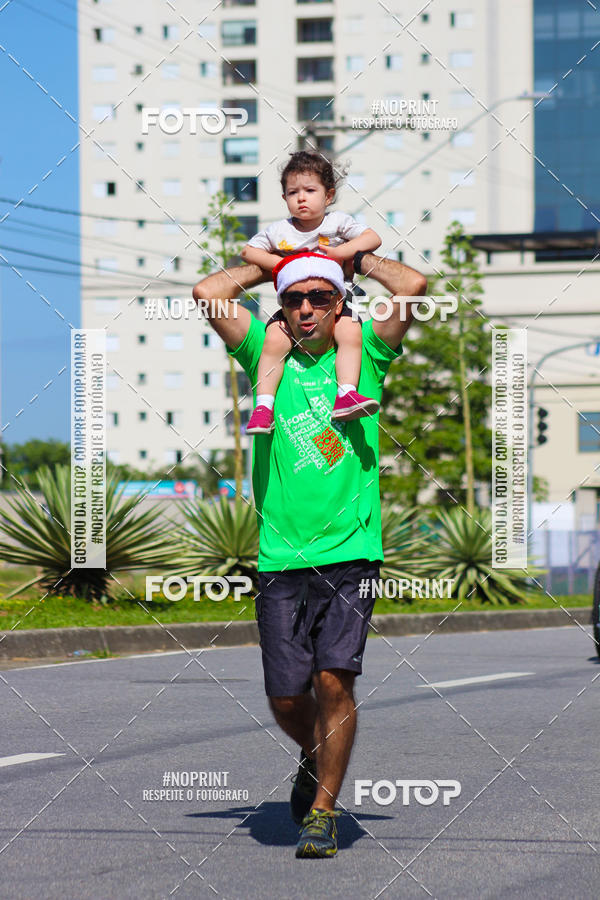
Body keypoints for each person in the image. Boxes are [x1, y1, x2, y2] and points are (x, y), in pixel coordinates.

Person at [193, 250, 426, 858]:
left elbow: (414, 284)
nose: (304, 308)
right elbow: (207, 290)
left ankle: (322, 811)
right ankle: (314, 753)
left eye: (319, 297)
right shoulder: (262, 354)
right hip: (279, 555)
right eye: (295, 298)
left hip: (352, 549)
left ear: (339, 304)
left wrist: (350, 256)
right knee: (287, 695)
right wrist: (281, 263)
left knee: (332, 679)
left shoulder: (366, 351)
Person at [241, 151, 383, 434]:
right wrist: (283, 264)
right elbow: (247, 251)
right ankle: (263, 407)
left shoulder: (337, 223)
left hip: (336, 303)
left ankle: (346, 394)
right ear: (284, 199)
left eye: (310, 190)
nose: (301, 198)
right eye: (293, 192)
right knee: (272, 343)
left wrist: (341, 252)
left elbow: (373, 238)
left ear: (328, 196)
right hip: (292, 306)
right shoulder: (279, 230)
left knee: (350, 335)